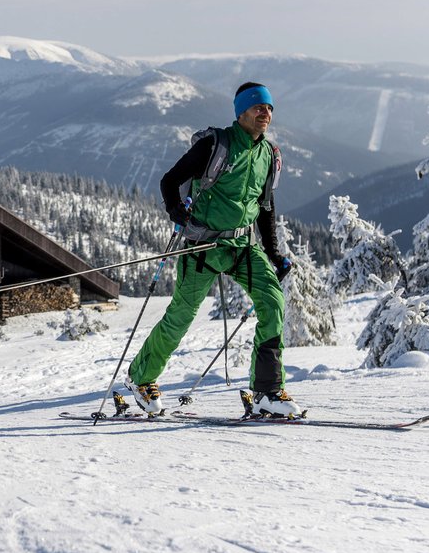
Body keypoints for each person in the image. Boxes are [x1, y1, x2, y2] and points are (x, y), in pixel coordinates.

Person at [124, 82, 302, 417]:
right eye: (257, 107)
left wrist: (274, 252)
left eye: (269, 108)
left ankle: (267, 390)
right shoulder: (214, 145)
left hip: (241, 245)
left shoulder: (268, 154)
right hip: (203, 246)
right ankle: (140, 377)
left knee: (273, 301)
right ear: (241, 112)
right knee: (181, 316)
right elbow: (169, 180)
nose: (265, 114)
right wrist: (175, 209)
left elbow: (265, 207)